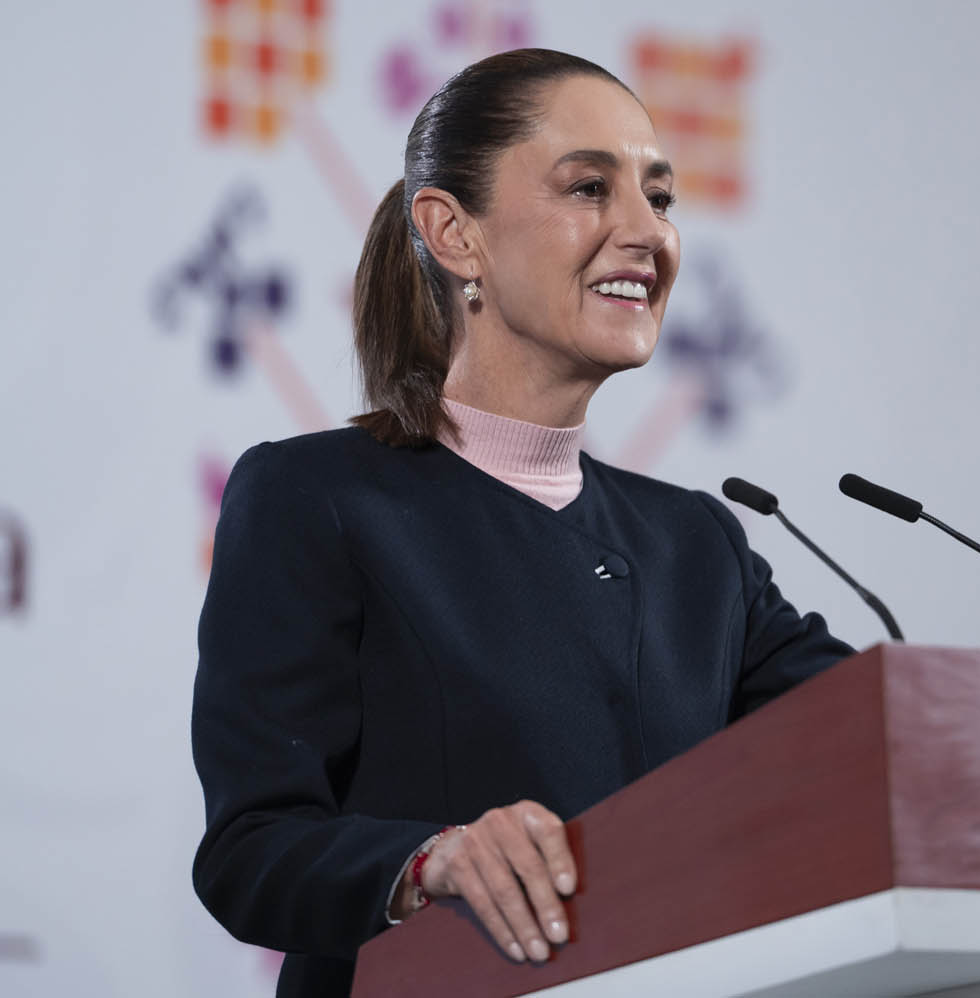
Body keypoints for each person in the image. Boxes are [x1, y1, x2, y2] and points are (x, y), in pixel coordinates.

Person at [190, 48, 852, 998]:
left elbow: (867, 736)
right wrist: (431, 862)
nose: (648, 233)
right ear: (454, 234)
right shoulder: (316, 499)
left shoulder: (696, 545)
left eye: (660, 198)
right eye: (589, 188)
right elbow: (252, 852)